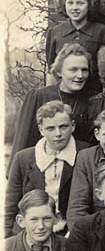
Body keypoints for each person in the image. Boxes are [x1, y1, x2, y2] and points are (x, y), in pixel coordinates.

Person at [5, 101, 89, 237]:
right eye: (50, 128)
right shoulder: (23, 158)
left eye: (63, 127)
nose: (58, 134)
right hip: (30, 234)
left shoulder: (86, 153)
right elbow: (9, 205)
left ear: (72, 126)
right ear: (41, 129)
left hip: (71, 234)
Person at [10, 44, 92, 167]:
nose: (80, 76)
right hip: (42, 170)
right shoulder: (39, 97)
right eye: (73, 70)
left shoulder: (92, 101)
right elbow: (22, 143)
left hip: (77, 172)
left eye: (84, 70)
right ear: (59, 71)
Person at [45, 0, 105, 92]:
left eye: (80, 3)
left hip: (93, 95)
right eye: (70, 3)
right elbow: (51, 71)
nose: (75, 8)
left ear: (90, 5)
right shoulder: (55, 32)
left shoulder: (104, 32)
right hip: (63, 96)